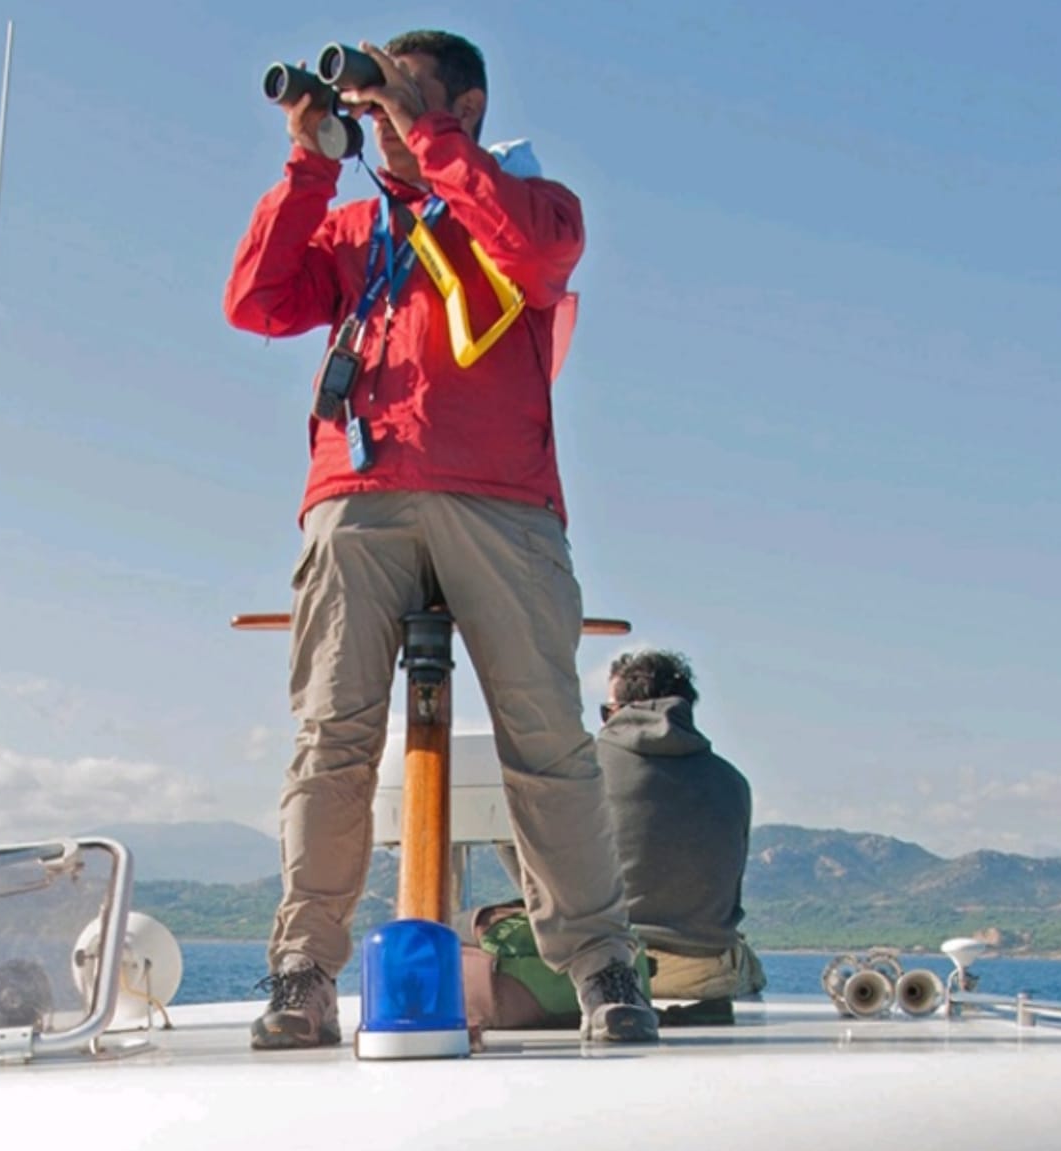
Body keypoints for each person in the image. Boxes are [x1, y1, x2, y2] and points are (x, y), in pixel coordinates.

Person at [223, 30, 656, 1048]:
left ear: (459, 107)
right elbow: (256, 302)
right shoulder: (355, 228)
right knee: (331, 740)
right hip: (356, 496)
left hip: (501, 500)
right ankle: (301, 972)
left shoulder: (530, 207)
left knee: (545, 742)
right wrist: (311, 158)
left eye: (401, 102)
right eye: (377, 109)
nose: (385, 125)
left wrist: (428, 134)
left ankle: (600, 965)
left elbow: (538, 257)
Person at [597, 650, 765, 1024]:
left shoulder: (582, 770)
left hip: (607, 969)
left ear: (620, 710)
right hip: (707, 974)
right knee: (750, 963)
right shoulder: (734, 782)